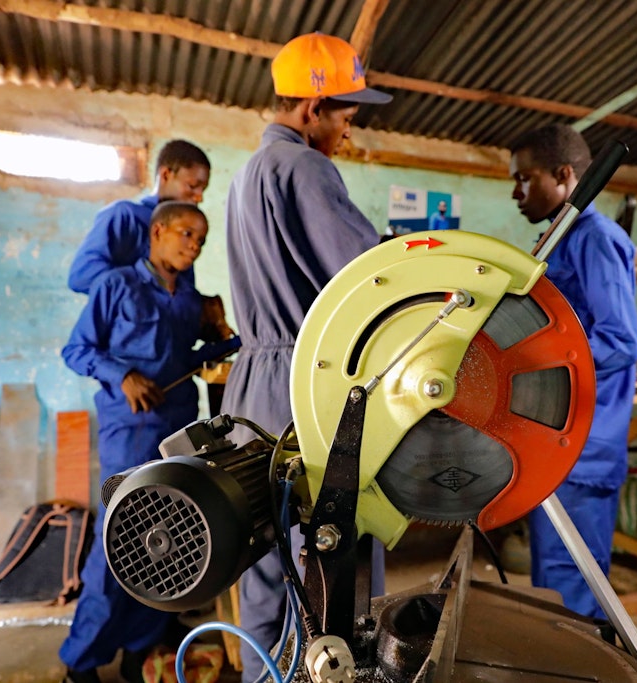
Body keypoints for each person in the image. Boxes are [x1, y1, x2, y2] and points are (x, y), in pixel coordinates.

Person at [220, 32, 391, 682]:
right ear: (311, 108)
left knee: (262, 556)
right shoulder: (307, 168)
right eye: (347, 110)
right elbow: (368, 279)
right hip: (303, 387)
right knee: (318, 564)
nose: (351, 124)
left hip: (251, 388)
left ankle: (262, 673)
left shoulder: (245, 176)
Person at [59, 201, 241, 683]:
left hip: (178, 430)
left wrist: (222, 331)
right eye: (185, 234)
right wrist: (123, 375)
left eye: (200, 240)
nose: (193, 246)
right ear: (157, 231)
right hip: (128, 432)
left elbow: (199, 358)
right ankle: (82, 663)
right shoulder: (116, 285)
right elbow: (76, 350)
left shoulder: (188, 298)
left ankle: (141, 650)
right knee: (115, 540)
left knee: (165, 540)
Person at [508, 124, 637, 619]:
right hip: (560, 440)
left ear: (564, 176)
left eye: (525, 178)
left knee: (574, 587)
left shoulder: (595, 238)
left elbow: (621, 340)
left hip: (586, 446)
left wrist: (530, 367)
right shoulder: (562, 239)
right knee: (554, 580)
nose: (516, 191)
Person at [67, 139, 211, 295]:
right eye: (192, 186)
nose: (199, 197)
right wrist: (143, 291)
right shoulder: (124, 215)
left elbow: (181, 292)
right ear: (165, 175)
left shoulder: (186, 233)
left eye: (203, 190)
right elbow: (82, 276)